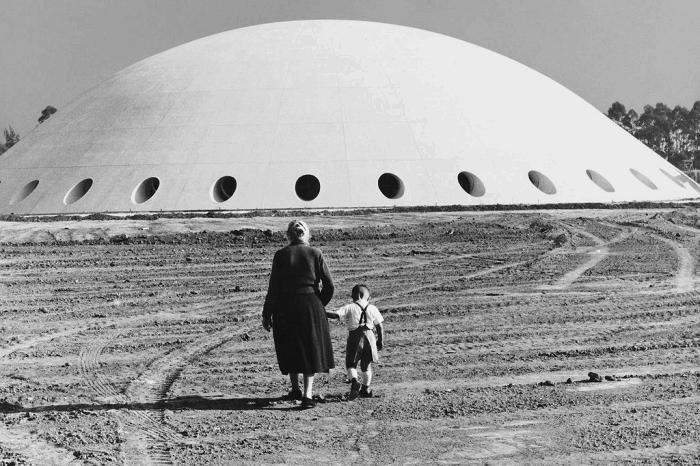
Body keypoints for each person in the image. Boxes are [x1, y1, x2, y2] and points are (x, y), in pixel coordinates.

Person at [262, 220, 335, 409]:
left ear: (289, 234)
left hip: (285, 305)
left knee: (291, 346)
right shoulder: (315, 253)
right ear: (307, 234)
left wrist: (267, 313)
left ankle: (295, 389)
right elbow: (329, 285)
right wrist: (319, 304)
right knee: (310, 348)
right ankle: (307, 395)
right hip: (310, 305)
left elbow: (274, 288)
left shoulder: (280, 255)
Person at [326, 284, 384, 399]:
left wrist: (322, 311)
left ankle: (354, 381)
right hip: (370, 337)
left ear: (354, 295)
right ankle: (365, 388)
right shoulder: (373, 308)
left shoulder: (350, 307)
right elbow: (379, 326)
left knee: (351, 364)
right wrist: (380, 340)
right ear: (368, 297)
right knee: (366, 366)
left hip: (355, 338)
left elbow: (336, 315)